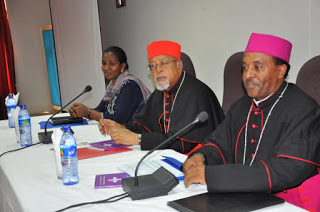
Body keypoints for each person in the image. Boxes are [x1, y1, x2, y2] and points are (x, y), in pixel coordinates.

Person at [183, 33, 320, 210]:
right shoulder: (240, 106)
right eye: (245, 68)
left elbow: (286, 170)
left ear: (281, 71)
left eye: (257, 67)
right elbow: (219, 143)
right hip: (237, 195)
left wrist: (214, 176)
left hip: (284, 202)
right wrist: (201, 157)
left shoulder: (305, 110)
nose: (248, 75)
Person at [99, 40, 225, 154]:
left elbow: (182, 143)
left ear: (178, 66)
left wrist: (136, 139)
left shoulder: (196, 93)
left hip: (202, 159)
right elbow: (145, 126)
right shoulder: (161, 92)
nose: (158, 70)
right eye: (153, 66)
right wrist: (121, 127)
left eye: (164, 63)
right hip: (171, 155)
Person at [69, 46, 151, 123]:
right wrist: (80, 111)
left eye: (112, 64)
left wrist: (88, 112)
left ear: (122, 66)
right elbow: (100, 110)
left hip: (137, 135)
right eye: (104, 63)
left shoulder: (130, 86)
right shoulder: (112, 86)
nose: (106, 68)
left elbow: (119, 120)